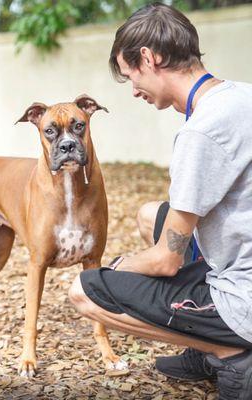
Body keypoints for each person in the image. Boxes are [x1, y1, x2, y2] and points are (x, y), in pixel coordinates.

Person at [68, 3, 252, 399]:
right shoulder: (240, 95)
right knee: (150, 214)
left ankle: (229, 350)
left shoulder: (201, 132)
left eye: (131, 74)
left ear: (149, 58)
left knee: (85, 291)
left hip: (245, 297)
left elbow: (165, 260)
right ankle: (204, 344)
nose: (133, 89)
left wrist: (118, 265)